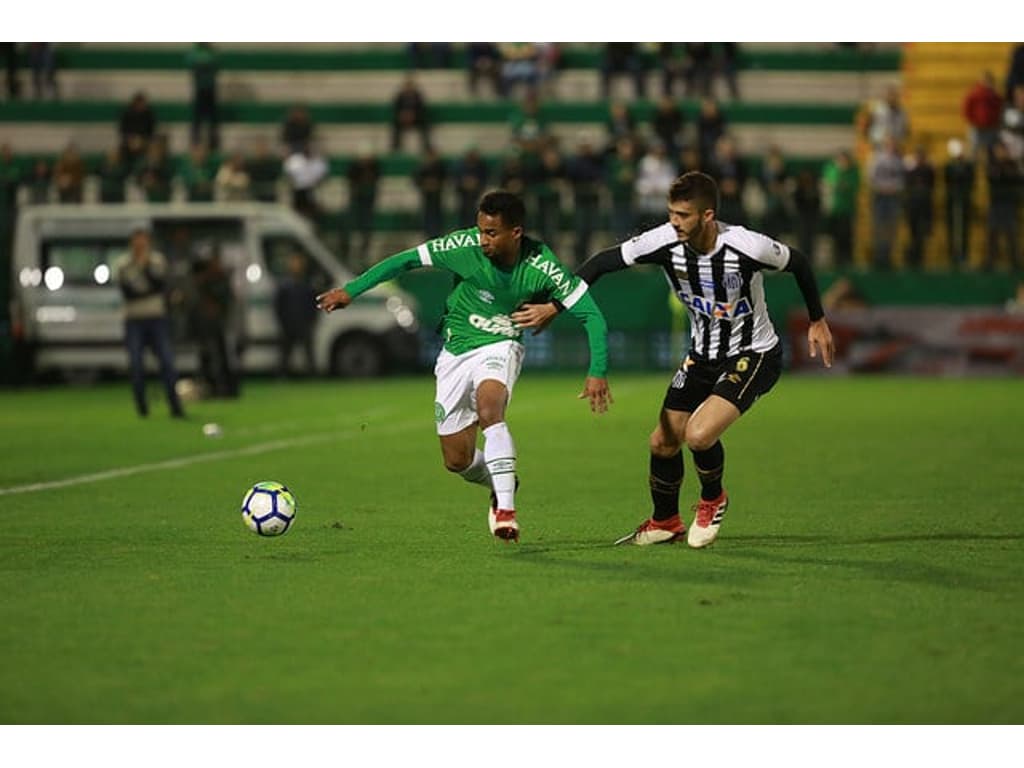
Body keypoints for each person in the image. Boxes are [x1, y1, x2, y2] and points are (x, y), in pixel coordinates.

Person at [512, 171, 833, 548]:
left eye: (682, 215)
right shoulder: (665, 241)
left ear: (708, 215)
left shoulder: (747, 246)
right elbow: (601, 262)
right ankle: (665, 520)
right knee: (662, 443)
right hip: (702, 355)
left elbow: (799, 263)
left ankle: (713, 498)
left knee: (698, 435)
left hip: (754, 353)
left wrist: (817, 318)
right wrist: (554, 305)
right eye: (671, 213)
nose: (674, 222)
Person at [315, 190, 612, 542]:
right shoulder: (463, 246)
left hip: (502, 344)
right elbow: (405, 260)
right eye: (480, 230)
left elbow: (592, 315)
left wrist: (597, 371)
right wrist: (352, 290)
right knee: (457, 460)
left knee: (490, 409)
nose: (482, 239)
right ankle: (502, 479)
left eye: (491, 233)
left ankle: (506, 509)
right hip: (455, 351)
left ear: (515, 232)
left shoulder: (541, 264)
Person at [113, 228, 186, 419]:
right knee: (136, 365)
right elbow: (129, 292)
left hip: (156, 317)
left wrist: (144, 268)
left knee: (167, 362)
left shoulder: (157, 261)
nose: (140, 245)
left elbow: (159, 285)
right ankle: (142, 407)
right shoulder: (123, 264)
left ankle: (175, 406)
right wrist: (146, 284)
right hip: (134, 319)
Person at [273, 250, 319, 378]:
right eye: (294, 263)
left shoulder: (307, 284)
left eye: (298, 263)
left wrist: (311, 320)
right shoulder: (285, 285)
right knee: (285, 354)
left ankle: (312, 376)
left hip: (304, 323)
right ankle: (282, 376)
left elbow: (313, 304)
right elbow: (278, 306)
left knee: (308, 353)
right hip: (288, 324)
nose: (296, 265)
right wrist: (283, 321)